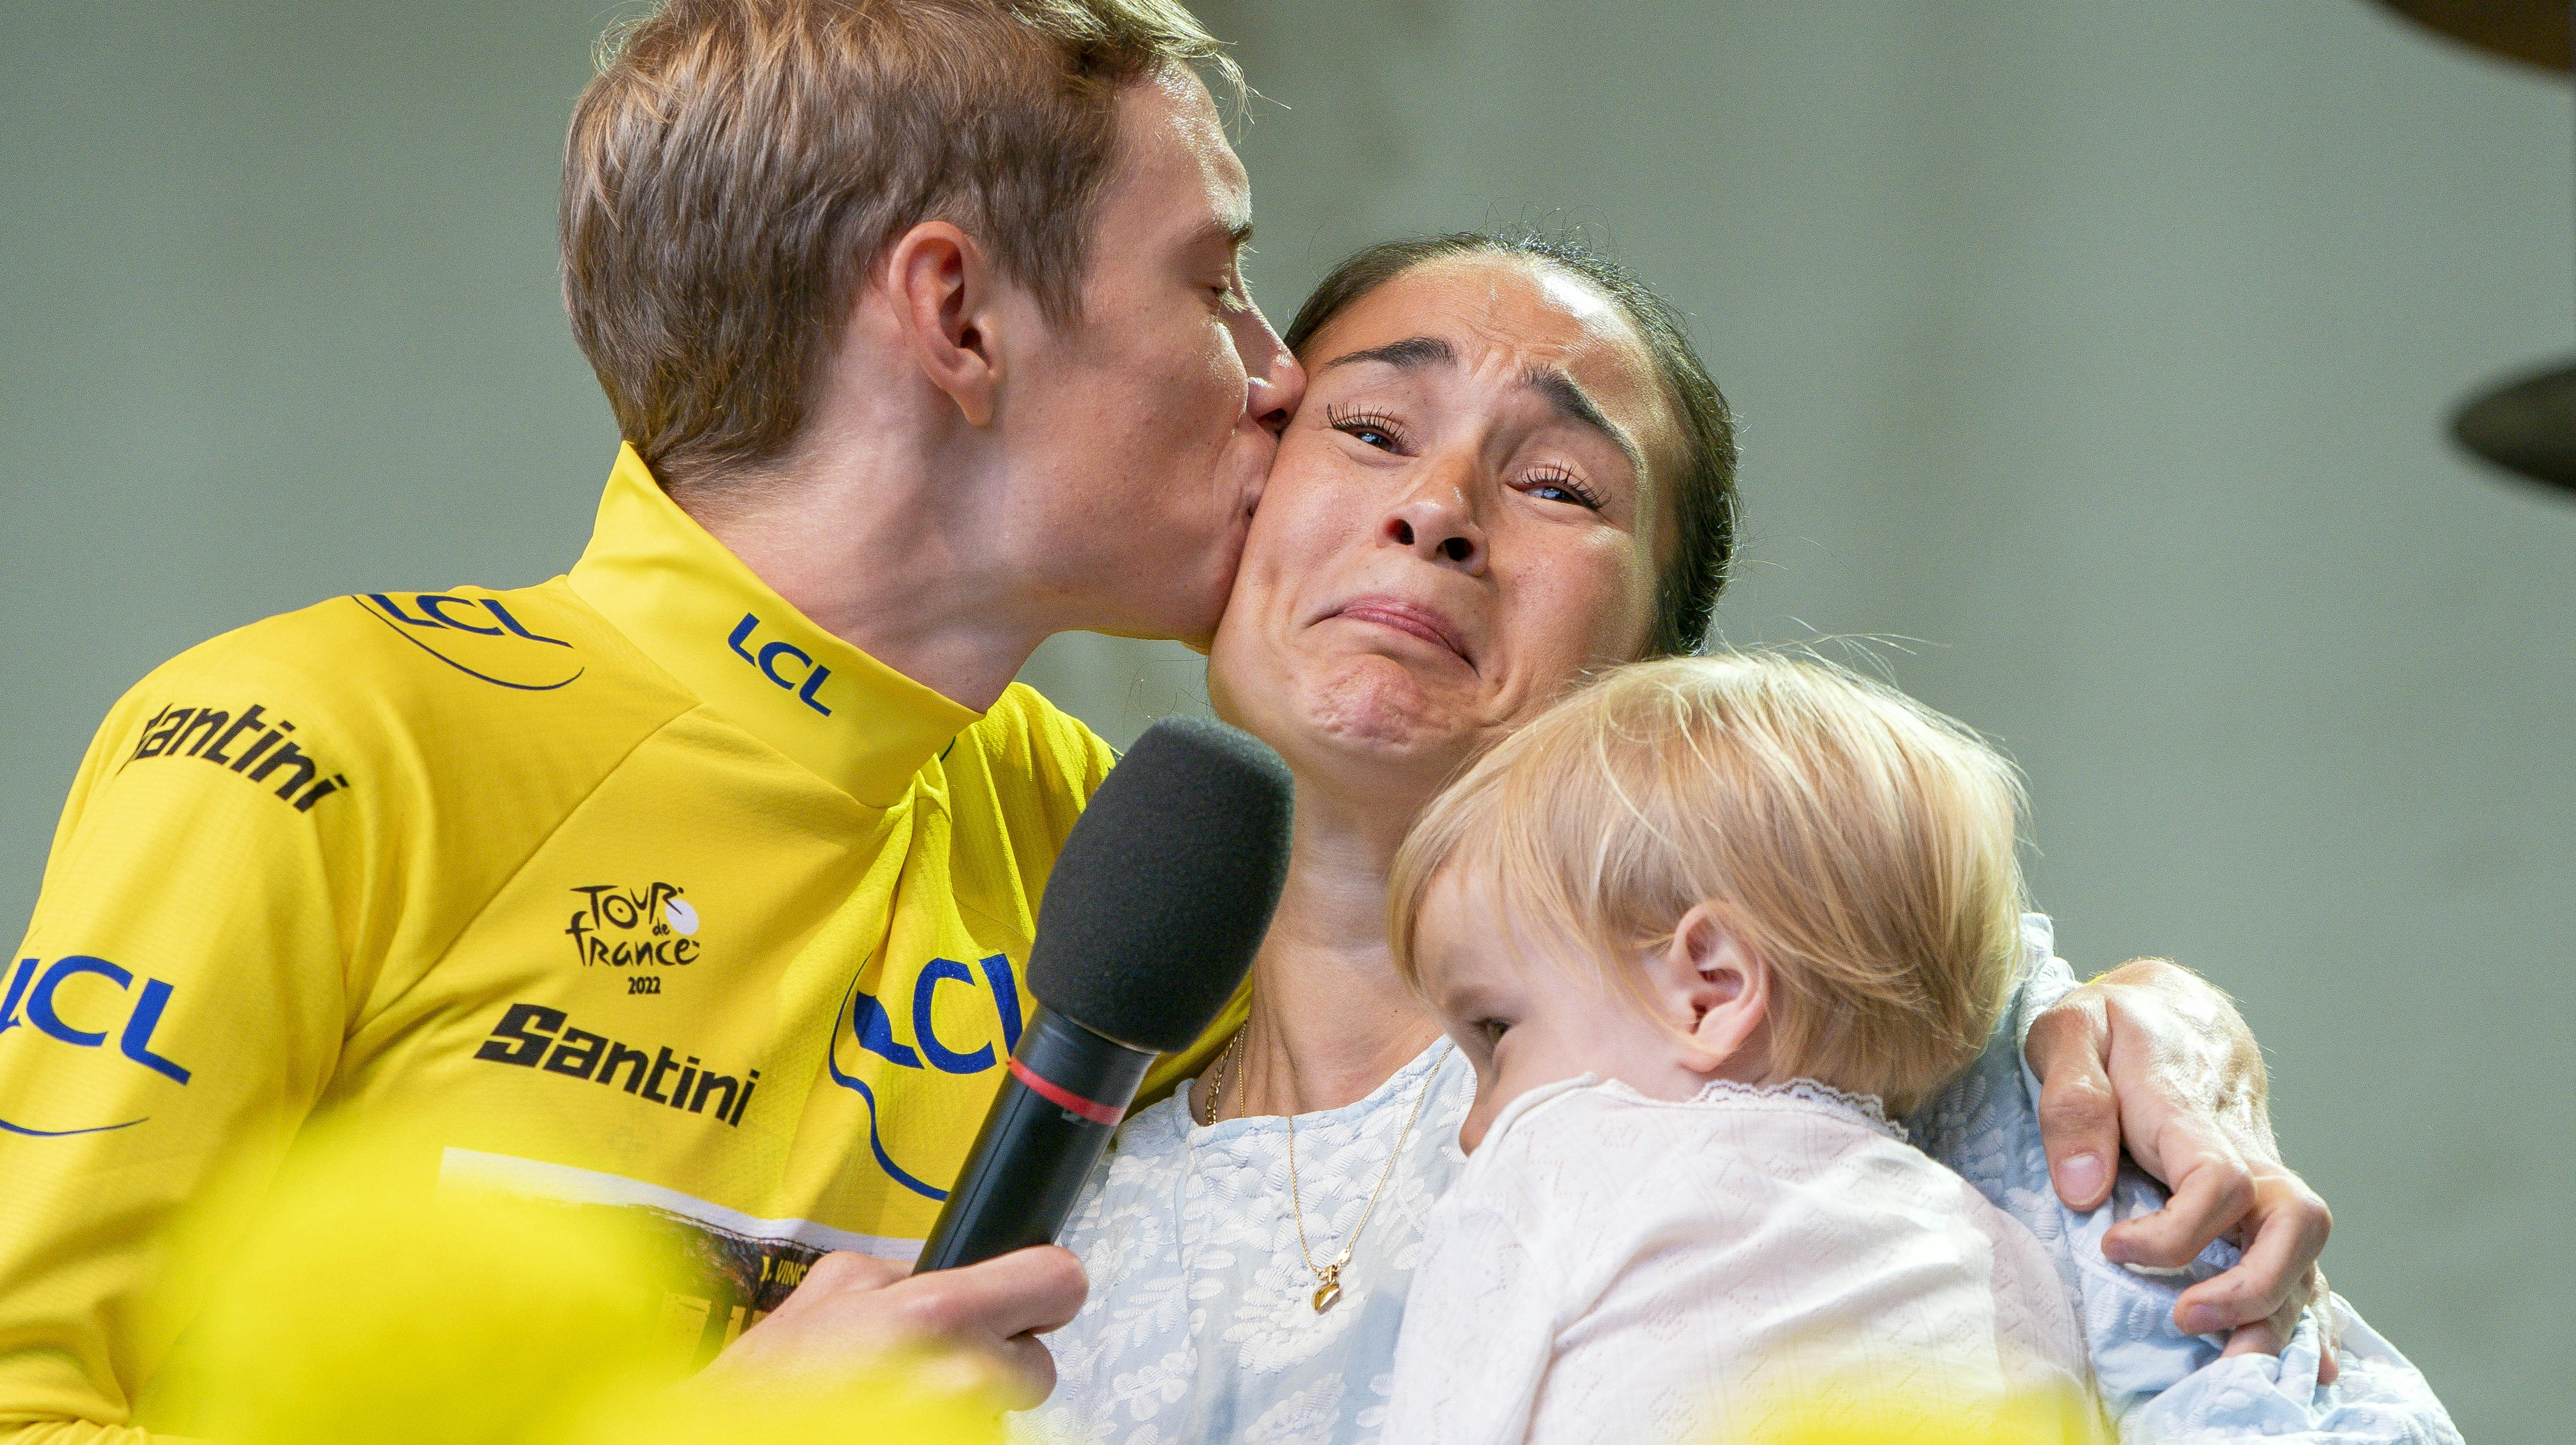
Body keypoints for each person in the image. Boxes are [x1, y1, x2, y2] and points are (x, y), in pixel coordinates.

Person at [3, 2, 2346, 1438]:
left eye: (1549, 484)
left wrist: (2123, 1022)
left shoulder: (1130, 858)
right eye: (1238, 306)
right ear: (957, 317)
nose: (1271, 392)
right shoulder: (324, 739)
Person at [1025, 232, 2457, 1445]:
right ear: (1246, 487)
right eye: (1375, 430)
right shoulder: (1041, 1177)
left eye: (1560, 486)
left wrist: (2168, 1028)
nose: (1436, 511)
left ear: (1662, 655)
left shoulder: (1829, 1013)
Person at [1378, 652, 2096, 1444]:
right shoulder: (2014, 1265)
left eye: (1496, 1034)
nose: (1473, 1126)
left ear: (1711, 989)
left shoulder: (1546, 1165)